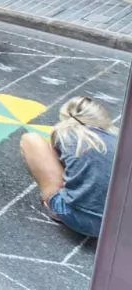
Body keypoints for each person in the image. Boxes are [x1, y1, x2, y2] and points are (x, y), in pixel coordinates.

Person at [20, 96, 119, 238]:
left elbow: (62, 176)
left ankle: (57, 209)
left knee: (31, 140)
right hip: (119, 226)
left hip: (79, 218)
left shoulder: (66, 131)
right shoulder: (118, 140)